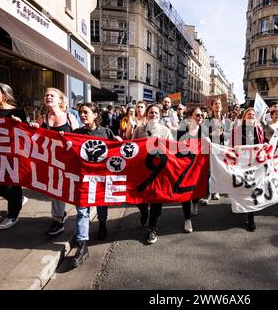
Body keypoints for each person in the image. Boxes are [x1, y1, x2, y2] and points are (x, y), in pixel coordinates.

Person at [70, 102, 122, 268]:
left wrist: (119, 143)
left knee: (101, 202)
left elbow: (115, 150)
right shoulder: (76, 133)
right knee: (82, 210)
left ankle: (102, 223)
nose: (82, 115)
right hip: (83, 178)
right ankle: (82, 245)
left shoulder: (106, 132)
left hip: (101, 177)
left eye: (86, 112)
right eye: (80, 113)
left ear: (95, 114)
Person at [29, 87, 79, 235]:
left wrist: (68, 137)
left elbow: (78, 138)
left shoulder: (70, 117)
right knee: (56, 190)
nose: (48, 97)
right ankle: (58, 220)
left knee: (73, 190)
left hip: (70, 161)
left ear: (60, 100)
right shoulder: (43, 118)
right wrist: (33, 127)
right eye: (46, 95)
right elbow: (33, 136)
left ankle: (82, 216)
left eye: (52, 95)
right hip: (51, 162)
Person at [0, 82, 28, 230]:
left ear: (5, 96)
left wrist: (20, 124)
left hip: (11, 153)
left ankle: (12, 215)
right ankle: (17, 199)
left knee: (11, 182)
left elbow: (26, 133)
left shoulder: (17, 111)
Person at [132, 105, 173, 244]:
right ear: (146, 114)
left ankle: (152, 229)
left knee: (156, 200)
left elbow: (172, 148)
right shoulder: (139, 130)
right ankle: (144, 212)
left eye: (156, 113)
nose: (153, 115)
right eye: (151, 112)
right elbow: (131, 147)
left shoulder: (165, 131)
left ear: (160, 115)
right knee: (139, 197)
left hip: (158, 172)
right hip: (141, 170)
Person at [231, 108, 265, 232]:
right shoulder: (237, 130)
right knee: (242, 188)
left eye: (253, 114)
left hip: (255, 164)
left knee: (252, 188)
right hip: (242, 163)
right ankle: (240, 206)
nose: (251, 115)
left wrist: (264, 146)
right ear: (244, 117)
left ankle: (251, 218)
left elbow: (263, 142)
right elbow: (231, 147)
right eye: (248, 114)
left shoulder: (259, 129)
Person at [177, 107, 208, 231]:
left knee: (197, 189)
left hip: (198, 166)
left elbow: (208, 148)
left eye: (201, 115)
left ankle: (195, 202)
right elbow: (176, 146)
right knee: (185, 193)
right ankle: (187, 219)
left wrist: (208, 141)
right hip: (184, 165)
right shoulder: (181, 131)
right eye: (197, 115)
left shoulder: (204, 130)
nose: (200, 117)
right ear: (190, 117)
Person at [203, 98, 232, 203]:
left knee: (220, 169)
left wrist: (222, 134)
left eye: (219, 103)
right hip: (210, 148)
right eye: (215, 104)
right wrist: (210, 135)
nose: (217, 105)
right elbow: (202, 134)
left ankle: (217, 191)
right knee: (209, 171)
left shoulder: (227, 121)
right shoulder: (206, 121)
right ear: (212, 106)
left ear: (221, 106)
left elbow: (230, 134)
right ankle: (208, 193)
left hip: (222, 148)